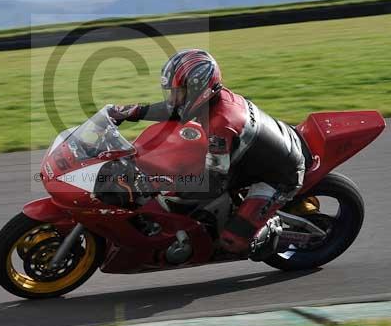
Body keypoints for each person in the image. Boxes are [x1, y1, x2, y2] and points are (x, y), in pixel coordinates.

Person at [108, 49, 311, 256]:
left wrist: (160, 186)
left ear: (199, 89)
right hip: (253, 156)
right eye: (172, 91)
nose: (175, 98)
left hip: (280, 174)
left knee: (234, 242)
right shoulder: (211, 100)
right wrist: (128, 112)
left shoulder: (221, 125)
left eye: (179, 92)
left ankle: (272, 230)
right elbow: (173, 110)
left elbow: (213, 184)